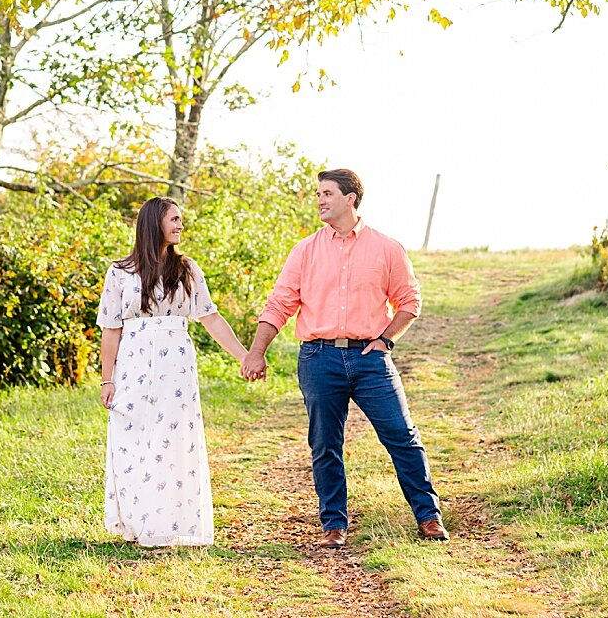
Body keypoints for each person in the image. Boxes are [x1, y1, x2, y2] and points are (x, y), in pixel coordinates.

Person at [240, 168, 447, 547]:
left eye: (327, 193)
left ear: (350, 198)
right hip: (319, 358)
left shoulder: (387, 248)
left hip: (371, 360)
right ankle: (334, 525)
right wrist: (257, 352)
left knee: (402, 436)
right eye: (318, 194)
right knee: (324, 443)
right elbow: (280, 303)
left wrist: (386, 340)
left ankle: (428, 517)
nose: (320, 200)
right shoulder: (305, 250)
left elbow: (409, 301)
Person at [97, 196, 250, 548]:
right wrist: (107, 378)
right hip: (132, 363)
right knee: (132, 439)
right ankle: (138, 522)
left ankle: (170, 523)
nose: (180, 225)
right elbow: (110, 327)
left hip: (175, 364)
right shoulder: (120, 271)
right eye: (174, 219)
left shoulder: (187, 269)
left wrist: (244, 356)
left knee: (173, 436)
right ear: (154, 224)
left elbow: (210, 317)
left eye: (181, 219)